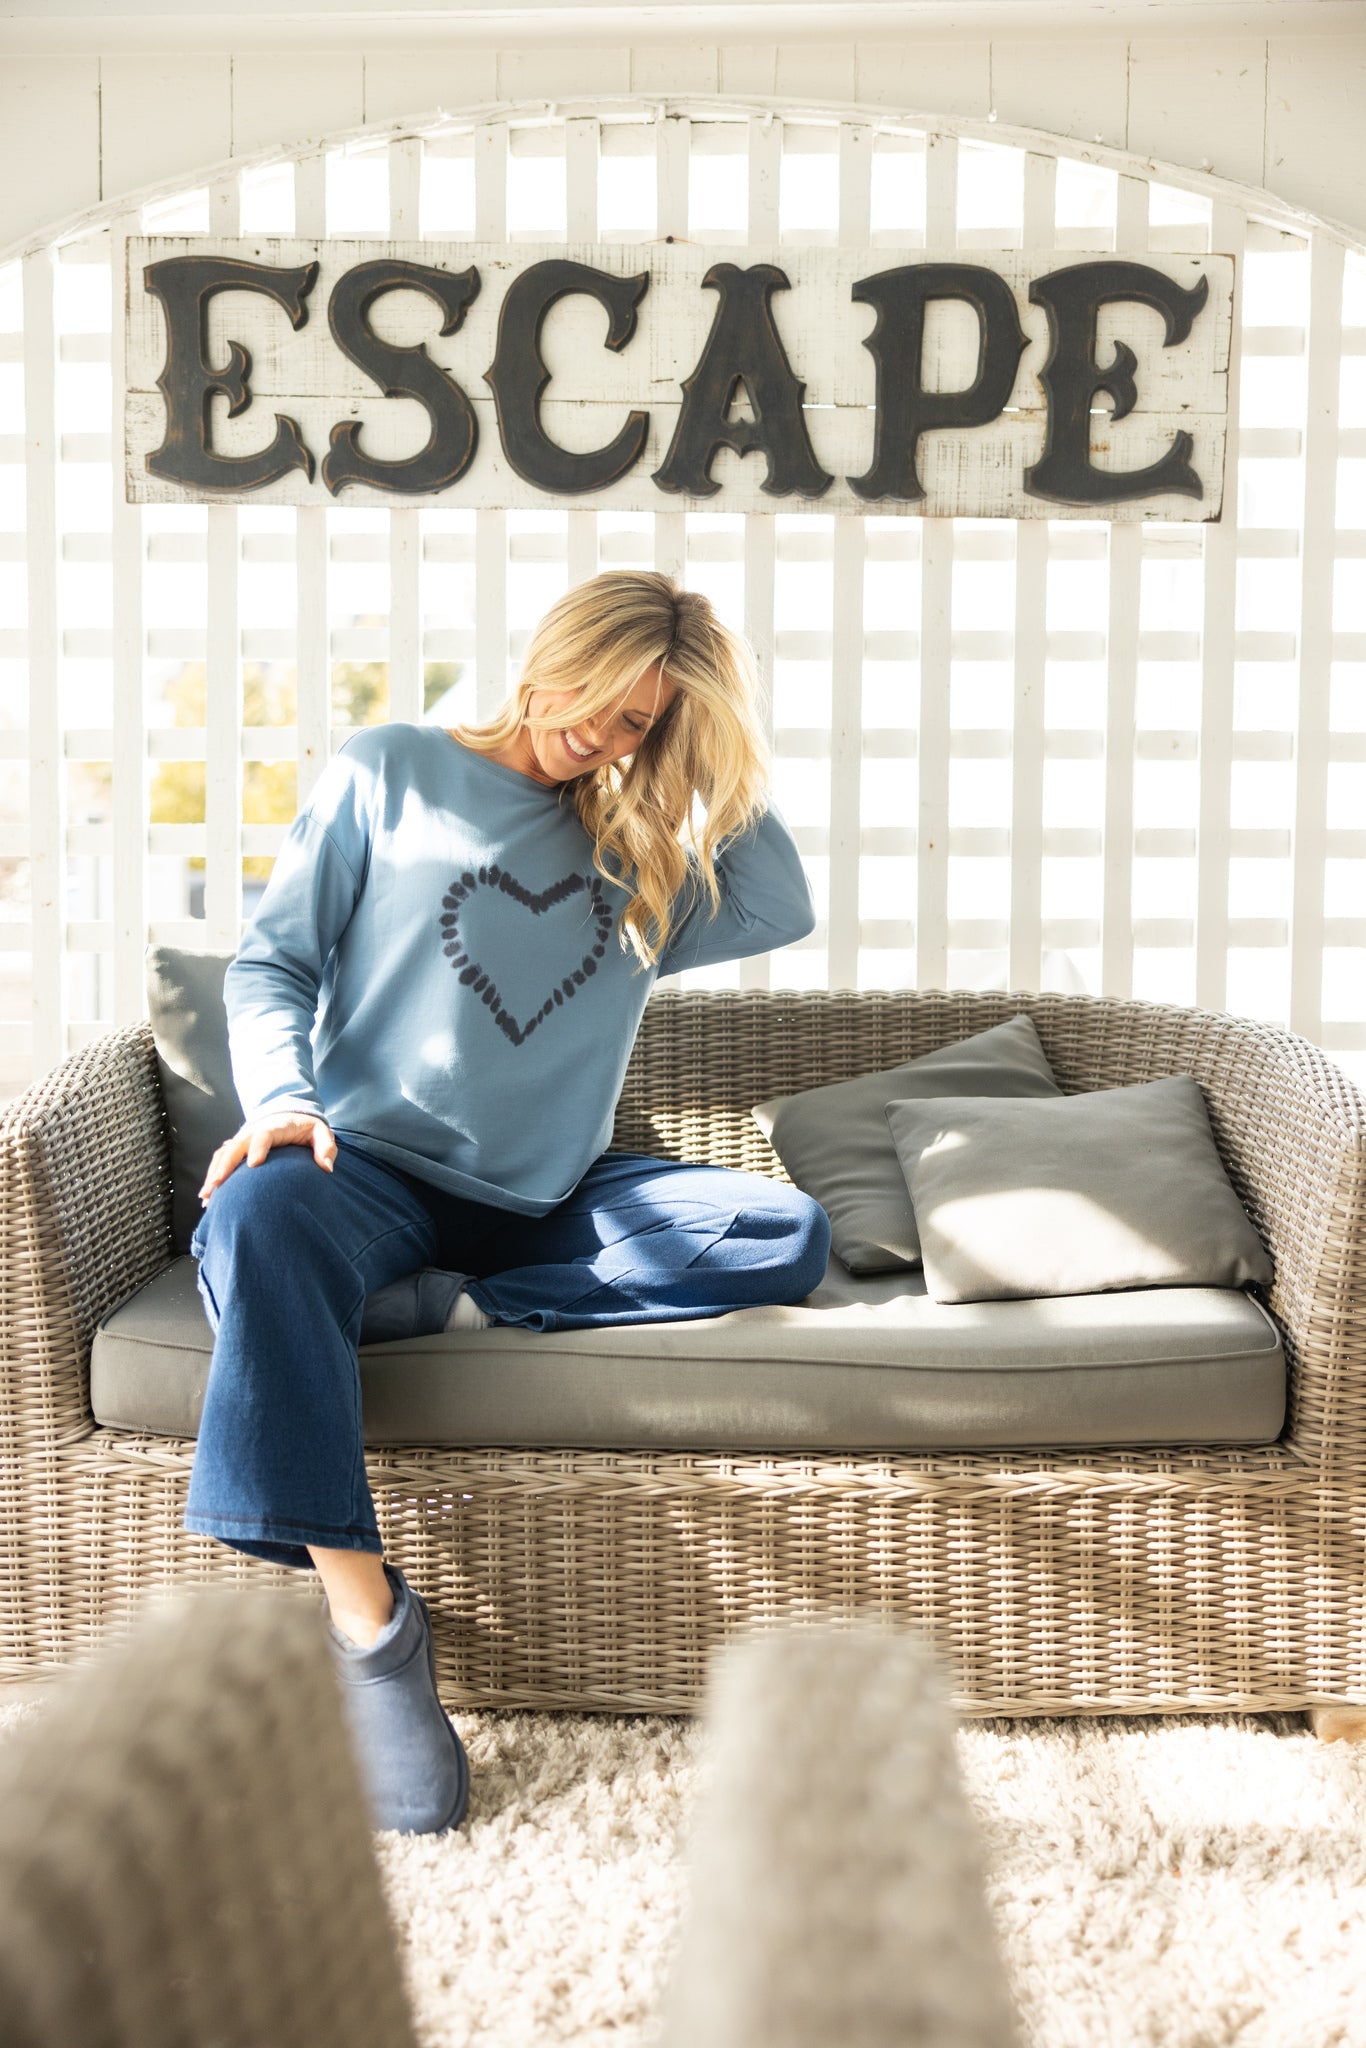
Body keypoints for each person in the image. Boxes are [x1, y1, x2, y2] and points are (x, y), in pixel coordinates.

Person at [186, 570, 832, 1836]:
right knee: (258, 1217)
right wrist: (283, 1097)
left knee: (782, 1229)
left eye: (636, 719)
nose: (597, 730)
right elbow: (273, 962)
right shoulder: (391, 769)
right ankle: (370, 1623)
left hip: (543, 1200)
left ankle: (458, 1305)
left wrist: (708, 750)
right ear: (549, 655)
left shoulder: (639, 852)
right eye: (592, 693)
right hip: (367, 1168)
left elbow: (779, 903)